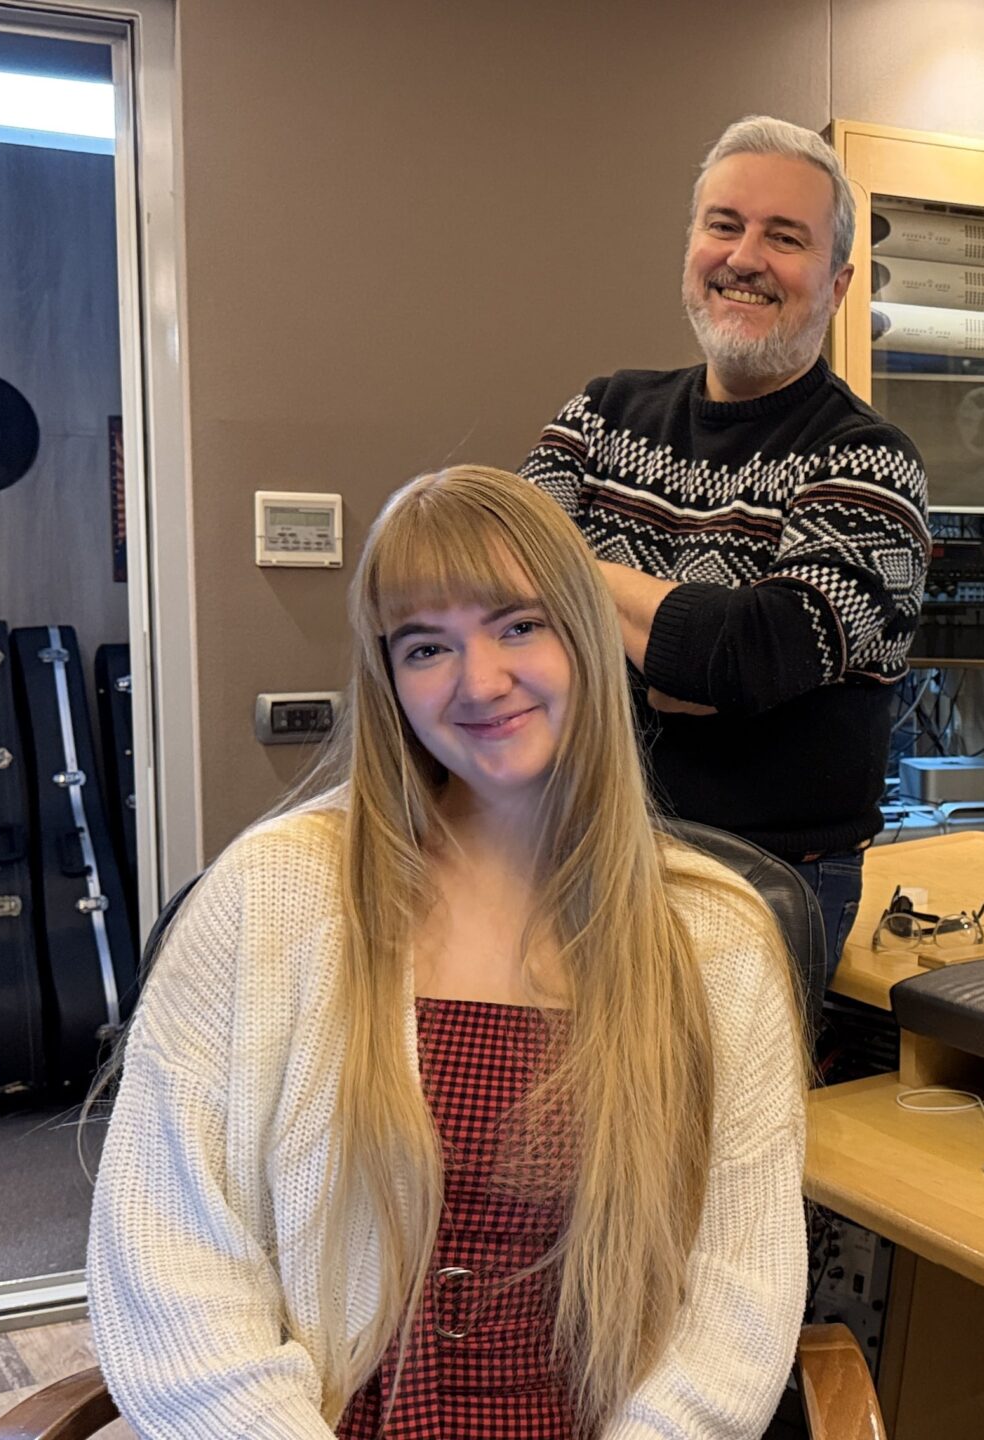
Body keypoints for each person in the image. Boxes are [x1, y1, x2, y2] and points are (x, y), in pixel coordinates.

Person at [86, 465, 806, 1439]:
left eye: (518, 625)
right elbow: (167, 1251)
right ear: (387, 676)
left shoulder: (714, 934)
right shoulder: (274, 893)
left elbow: (740, 1287)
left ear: (586, 634)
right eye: (427, 646)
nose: (479, 682)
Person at [522, 114, 928, 980]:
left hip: (760, 885)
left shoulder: (869, 464)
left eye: (785, 237)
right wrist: (670, 654)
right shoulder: (600, 414)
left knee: (709, 1119)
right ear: (691, 245)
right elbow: (488, 587)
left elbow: (743, 658)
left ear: (838, 280)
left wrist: (572, 596)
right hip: (571, 853)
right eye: (724, 225)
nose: (745, 257)